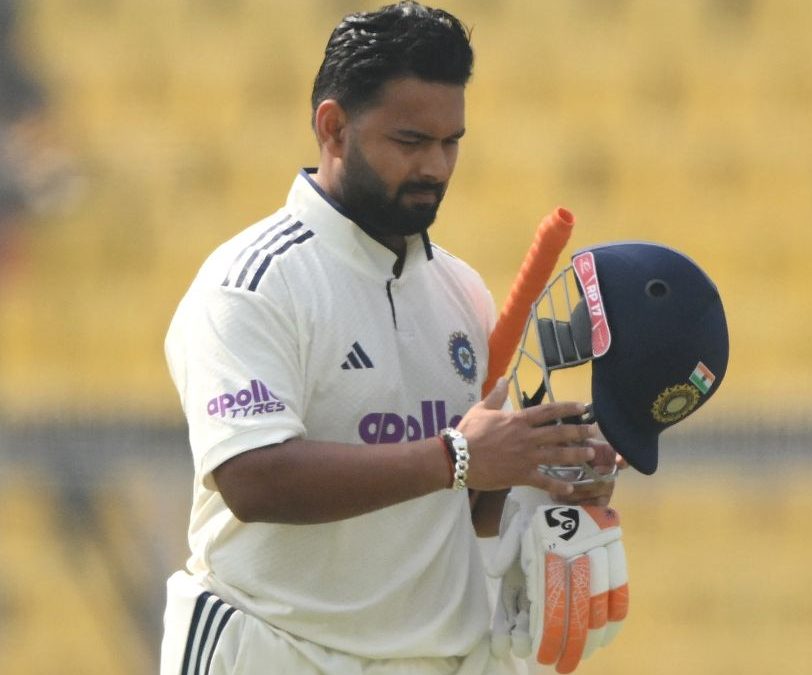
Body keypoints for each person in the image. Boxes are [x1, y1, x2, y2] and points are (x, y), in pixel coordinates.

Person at [158, 3, 618, 673]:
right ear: (334, 127)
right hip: (273, 652)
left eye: (451, 141)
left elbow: (464, 503)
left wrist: (551, 472)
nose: (436, 165)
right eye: (411, 141)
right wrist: (459, 455)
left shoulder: (461, 291)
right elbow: (252, 478)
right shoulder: (253, 282)